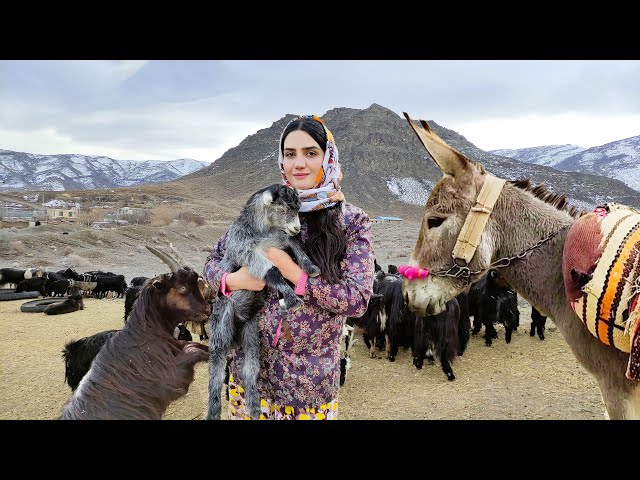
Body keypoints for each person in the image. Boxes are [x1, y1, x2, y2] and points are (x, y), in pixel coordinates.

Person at [203, 114, 376, 420]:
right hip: (249, 384)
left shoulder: (350, 222)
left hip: (306, 389)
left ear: (327, 158)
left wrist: (292, 272)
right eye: (289, 154)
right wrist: (232, 280)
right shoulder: (263, 209)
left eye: (310, 153)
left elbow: (357, 299)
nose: (298, 164)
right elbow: (212, 261)